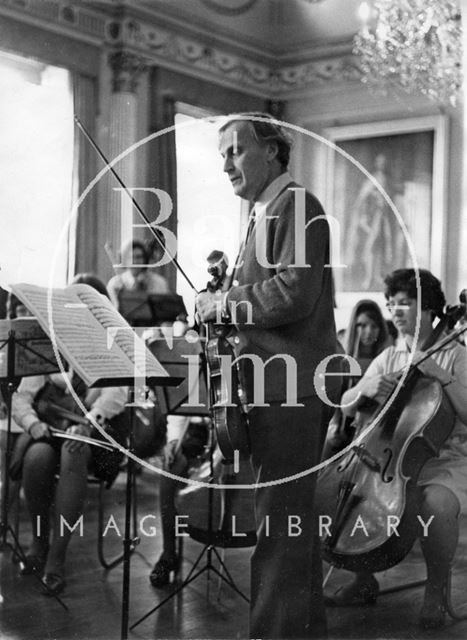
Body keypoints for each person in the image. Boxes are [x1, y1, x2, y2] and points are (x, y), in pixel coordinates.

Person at [196, 113, 339, 638]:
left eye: (235, 151)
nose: (226, 164)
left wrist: (222, 304)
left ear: (274, 151)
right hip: (278, 386)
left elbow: (293, 294)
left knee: (279, 531)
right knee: (289, 529)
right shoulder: (266, 212)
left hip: (293, 388)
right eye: (221, 155)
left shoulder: (295, 204)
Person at [326, 268, 467, 630]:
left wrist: (440, 372)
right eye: (391, 304)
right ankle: (363, 580)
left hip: (444, 460)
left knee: (436, 504)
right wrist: (365, 390)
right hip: (387, 459)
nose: (395, 310)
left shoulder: (455, 354)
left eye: (405, 303)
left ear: (429, 307)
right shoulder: (389, 357)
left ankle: (435, 590)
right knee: (342, 495)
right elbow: (344, 404)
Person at [12, 275, 127, 596]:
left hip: (98, 432)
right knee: (36, 457)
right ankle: (39, 544)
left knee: (74, 450)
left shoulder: (112, 339)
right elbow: (23, 395)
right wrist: (33, 423)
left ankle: (57, 561)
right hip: (50, 426)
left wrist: (88, 423)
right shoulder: (51, 338)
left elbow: (116, 395)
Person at [324, 299, 392, 458]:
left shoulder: (384, 361)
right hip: (340, 432)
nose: (368, 331)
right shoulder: (341, 359)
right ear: (353, 326)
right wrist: (334, 425)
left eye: (374, 326)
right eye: (362, 325)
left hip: (371, 436)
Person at [107, 239, 170, 311]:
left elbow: (164, 312)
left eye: (139, 257)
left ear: (145, 259)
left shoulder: (159, 282)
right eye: (130, 257)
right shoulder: (115, 283)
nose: (135, 262)